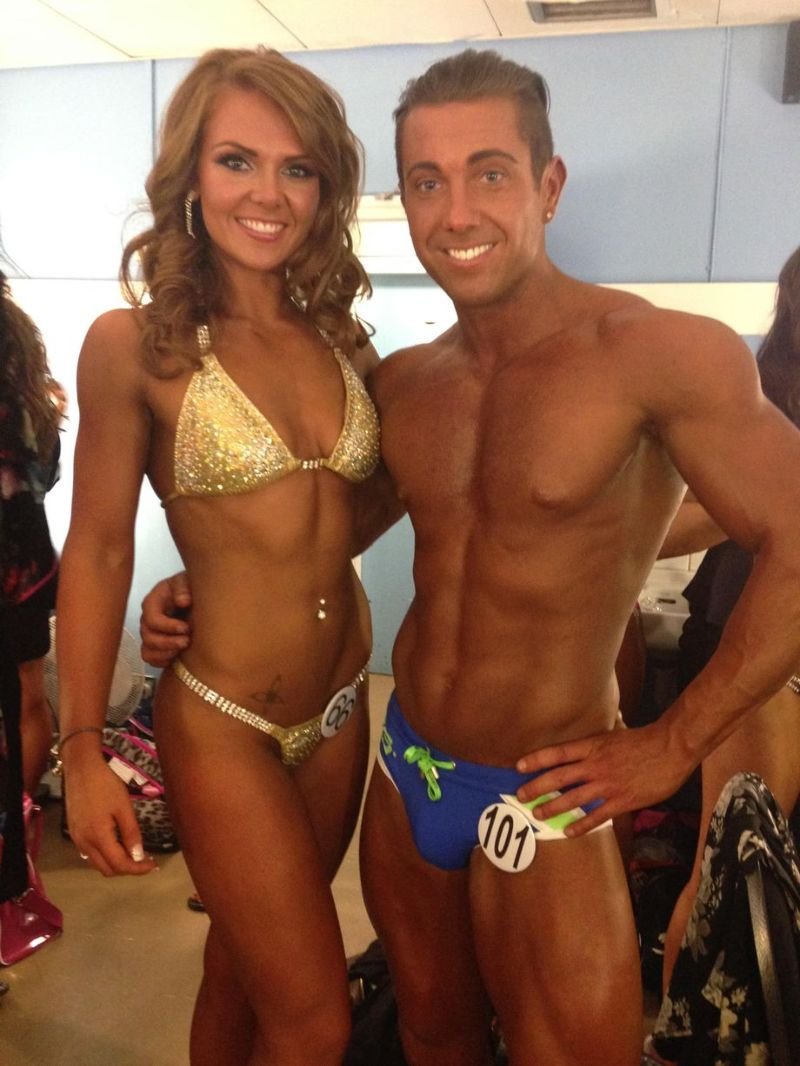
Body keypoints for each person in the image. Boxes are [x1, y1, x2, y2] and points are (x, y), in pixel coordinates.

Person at [141, 49, 800, 1066]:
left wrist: (672, 743)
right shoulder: (407, 382)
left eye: (488, 173)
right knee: (429, 1032)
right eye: (425, 181)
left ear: (548, 184)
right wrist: (206, 585)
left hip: (547, 785)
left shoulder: (659, 354)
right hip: (408, 768)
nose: (455, 213)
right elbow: (323, 530)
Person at [55, 48, 381, 1066]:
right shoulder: (135, 343)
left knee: (244, 971)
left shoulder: (343, 342)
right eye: (237, 160)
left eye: (297, 168)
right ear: (191, 174)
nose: (267, 194)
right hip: (225, 720)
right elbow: (98, 547)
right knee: (316, 1019)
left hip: (341, 712)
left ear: (324, 187)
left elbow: (340, 521)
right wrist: (80, 752)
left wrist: (213, 573)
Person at [641, 245, 800, 1066]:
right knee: (726, 870)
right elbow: (684, 518)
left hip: (757, 636)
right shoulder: (761, 400)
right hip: (762, 653)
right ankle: (679, 1042)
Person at [0, 268, 62, 798]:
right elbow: (48, 476)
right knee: (27, 697)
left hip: (19, 566)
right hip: (28, 567)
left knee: (25, 700)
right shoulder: (36, 409)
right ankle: (17, 816)